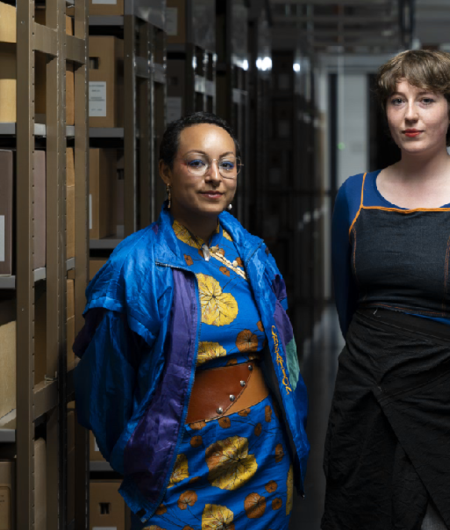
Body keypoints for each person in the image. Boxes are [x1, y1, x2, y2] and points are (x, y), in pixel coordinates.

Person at [324, 49, 450, 529]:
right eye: (397, 101)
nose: (410, 115)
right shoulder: (352, 196)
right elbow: (346, 306)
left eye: (427, 99)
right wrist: (379, 366)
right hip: (366, 395)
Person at [73, 112, 309, 530]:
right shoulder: (134, 265)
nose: (215, 176)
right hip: (180, 462)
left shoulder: (251, 253)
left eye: (227, 163)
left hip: (264, 454)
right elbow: (104, 390)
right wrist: (141, 457)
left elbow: (284, 354)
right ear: (166, 170)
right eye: (197, 162)